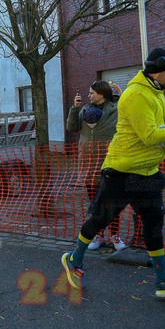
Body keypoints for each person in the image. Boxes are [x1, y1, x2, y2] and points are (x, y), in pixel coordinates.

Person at [61, 48, 165, 298]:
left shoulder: (156, 93)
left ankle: (164, 280)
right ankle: (74, 259)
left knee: (154, 223)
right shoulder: (136, 94)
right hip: (122, 171)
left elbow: (159, 130)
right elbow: (150, 135)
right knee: (100, 219)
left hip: (147, 172)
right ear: (156, 71)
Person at [66, 81, 123, 250]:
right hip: (88, 165)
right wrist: (75, 108)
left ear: (101, 94)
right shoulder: (85, 109)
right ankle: (98, 235)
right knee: (95, 203)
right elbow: (72, 127)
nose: (88, 95)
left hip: (109, 163)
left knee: (112, 202)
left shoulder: (116, 110)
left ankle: (115, 235)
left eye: (92, 93)